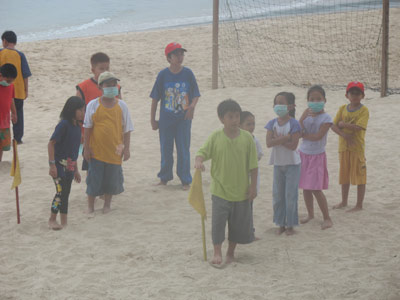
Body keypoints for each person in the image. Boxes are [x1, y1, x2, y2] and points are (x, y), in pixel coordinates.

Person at [195, 99, 258, 266]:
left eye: (237, 116)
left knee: (237, 226)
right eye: (230, 117)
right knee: (218, 224)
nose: (235, 120)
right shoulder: (216, 137)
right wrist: (199, 161)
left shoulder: (247, 139)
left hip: (241, 192)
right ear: (222, 119)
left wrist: (253, 187)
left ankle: (231, 252)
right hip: (220, 190)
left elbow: (254, 166)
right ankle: (217, 252)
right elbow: (202, 152)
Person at [150, 42, 200, 190]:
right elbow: (155, 98)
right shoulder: (163, 75)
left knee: (183, 149)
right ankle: (164, 178)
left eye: (181, 54)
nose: (179, 57)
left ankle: (185, 180)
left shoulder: (188, 73)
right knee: (166, 149)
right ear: (168, 58)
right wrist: (152, 120)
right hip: (166, 120)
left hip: (183, 120)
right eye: (176, 54)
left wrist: (192, 106)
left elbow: (196, 94)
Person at [83, 71, 134, 214]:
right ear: (100, 88)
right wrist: (86, 149)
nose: (112, 87)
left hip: (115, 151)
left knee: (111, 180)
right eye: (108, 85)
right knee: (93, 180)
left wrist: (127, 148)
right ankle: (90, 206)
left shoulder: (122, 106)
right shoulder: (93, 105)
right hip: (96, 151)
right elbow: (87, 128)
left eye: (114, 84)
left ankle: (107, 205)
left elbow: (127, 129)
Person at [76, 52, 121, 171]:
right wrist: (80, 132)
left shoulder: (115, 87)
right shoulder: (83, 87)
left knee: (111, 166)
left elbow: (120, 109)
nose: (105, 71)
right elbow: (77, 112)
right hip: (90, 136)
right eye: (101, 69)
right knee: (91, 167)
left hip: (111, 135)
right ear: (93, 69)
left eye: (107, 68)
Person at [265, 92, 301, 235]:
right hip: (278, 164)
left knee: (290, 196)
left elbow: (294, 145)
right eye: (276, 103)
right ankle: (280, 224)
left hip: (293, 165)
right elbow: (268, 143)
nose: (278, 106)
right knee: (278, 196)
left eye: (282, 103)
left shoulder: (294, 123)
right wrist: (285, 138)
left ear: (291, 106)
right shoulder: (271, 123)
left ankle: (290, 225)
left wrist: (278, 140)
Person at [298, 85, 333, 229]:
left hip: (317, 156)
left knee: (316, 189)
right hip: (303, 154)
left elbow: (318, 136)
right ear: (307, 101)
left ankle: (327, 218)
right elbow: (298, 128)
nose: (315, 101)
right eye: (312, 99)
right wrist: (302, 116)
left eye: (319, 98)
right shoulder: (306, 115)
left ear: (325, 100)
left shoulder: (327, 118)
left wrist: (304, 135)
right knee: (305, 188)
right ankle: (310, 214)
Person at [48, 96, 85, 230]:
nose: (83, 113)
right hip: (58, 164)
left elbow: (74, 151)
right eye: (80, 110)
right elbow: (51, 143)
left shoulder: (77, 127)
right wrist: (52, 164)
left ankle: (64, 221)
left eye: (83, 110)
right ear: (71, 110)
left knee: (66, 192)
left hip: (70, 164)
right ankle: (52, 219)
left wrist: (76, 170)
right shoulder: (63, 124)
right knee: (60, 191)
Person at [331, 81, 369, 212]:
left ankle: (359, 205)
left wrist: (343, 125)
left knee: (360, 176)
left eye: (358, 93)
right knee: (344, 175)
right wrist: (344, 134)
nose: (355, 95)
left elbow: (359, 127)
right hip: (343, 148)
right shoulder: (342, 108)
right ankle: (344, 201)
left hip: (357, 148)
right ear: (346, 95)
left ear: (362, 96)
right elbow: (333, 125)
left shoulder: (364, 110)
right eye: (352, 93)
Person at [0, 31, 32, 144]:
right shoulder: (20, 55)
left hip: (2, 90)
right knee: (18, 113)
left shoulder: (0, 52)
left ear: (4, 41)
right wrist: (26, 90)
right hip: (17, 90)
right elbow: (25, 74)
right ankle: (17, 138)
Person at [240, 111, 263, 239]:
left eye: (253, 124)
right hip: (239, 178)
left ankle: (250, 232)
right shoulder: (238, 139)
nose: (251, 127)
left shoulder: (254, 139)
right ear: (240, 125)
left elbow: (259, 155)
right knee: (240, 208)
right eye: (248, 124)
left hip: (250, 178)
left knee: (248, 206)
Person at [0, 64, 18, 161]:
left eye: (11, 81)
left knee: (2, 146)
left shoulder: (11, 86)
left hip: (5, 121)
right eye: (8, 81)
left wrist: (14, 113)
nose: (9, 83)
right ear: (1, 75)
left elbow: (11, 100)